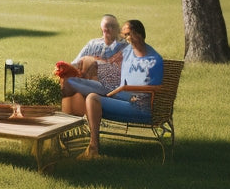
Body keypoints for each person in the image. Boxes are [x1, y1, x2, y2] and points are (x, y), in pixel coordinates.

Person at [64, 19, 164, 159]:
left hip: (138, 105)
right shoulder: (129, 50)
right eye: (124, 35)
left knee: (93, 98)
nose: (126, 39)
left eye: (128, 34)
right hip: (118, 93)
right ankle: (62, 136)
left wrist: (128, 91)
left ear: (139, 35)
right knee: (69, 81)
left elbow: (154, 89)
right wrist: (92, 63)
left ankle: (93, 148)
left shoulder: (154, 60)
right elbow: (110, 62)